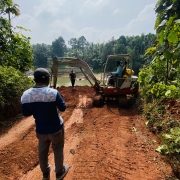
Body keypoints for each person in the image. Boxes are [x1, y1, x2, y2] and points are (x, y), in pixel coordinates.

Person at [21, 68, 69, 180]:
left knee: (42, 151)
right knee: (57, 148)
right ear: (48, 79)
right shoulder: (53, 93)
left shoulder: (26, 95)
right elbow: (63, 108)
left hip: (41, 130)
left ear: (35, 79)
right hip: (56, 128)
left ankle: (45, 174)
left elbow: (26, 113)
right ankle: (59, 172)